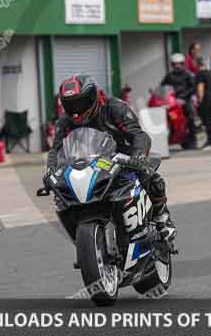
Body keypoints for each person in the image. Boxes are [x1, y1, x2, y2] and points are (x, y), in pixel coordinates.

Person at [46, 74, 176, 241]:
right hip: (88, 163)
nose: (76, 109)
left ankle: (161, 217)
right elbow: (56, 150)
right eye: (70, 105)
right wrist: (51, 170)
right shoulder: (65, 121)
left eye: (80, 102)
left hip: (124, 158)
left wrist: (138, 155)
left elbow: (139, 136)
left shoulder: (115, 107)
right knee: (63, 196)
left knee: (151, 176)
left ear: (93, 96)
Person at [161, 53, 198, 149]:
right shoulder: (169, 75)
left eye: (179, 63)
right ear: (172, 64)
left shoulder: (188, 74)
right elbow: (162, 87)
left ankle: (193, 140)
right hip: (172, 101)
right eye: (175, 64)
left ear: (182, 63)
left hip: (185, 100)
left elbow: (193, 87)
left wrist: (183, 97)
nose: (177, 66)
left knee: (190, 116)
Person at [195, 57, 211, 150]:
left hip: (205, 100)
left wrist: (199, 100)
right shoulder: (209, 73)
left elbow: (200, 87)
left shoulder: (200, 74)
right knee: (209, 121)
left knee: (206, 122)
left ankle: (210, 143)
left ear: (197, 64)